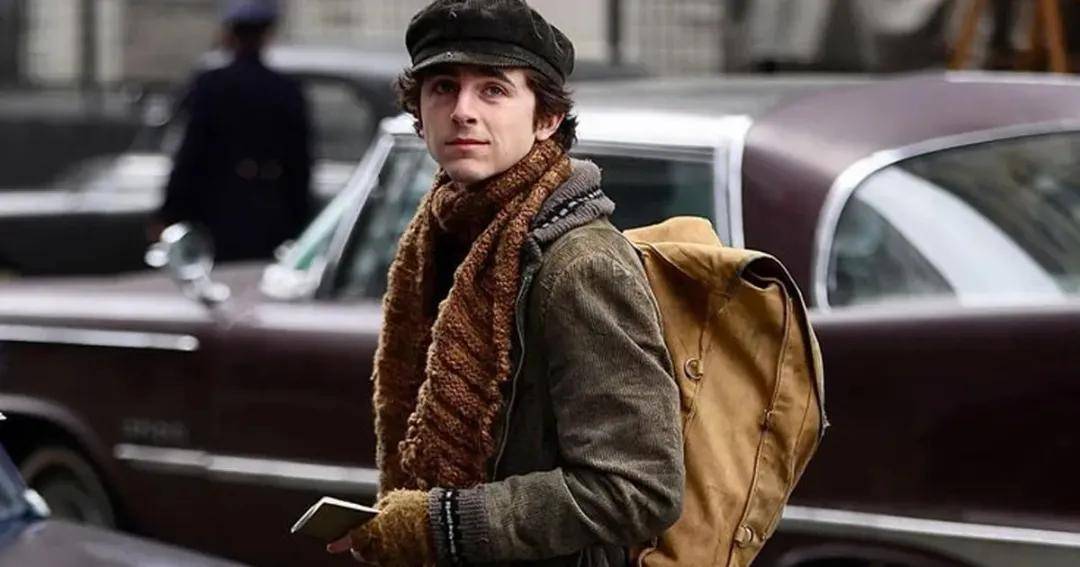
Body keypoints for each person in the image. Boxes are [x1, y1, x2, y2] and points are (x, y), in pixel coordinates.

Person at [325, 1, 683, 565]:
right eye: (443, 87)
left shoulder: (581, 265)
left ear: (547, 119)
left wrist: (440, 524)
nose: (462, 111)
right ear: (419, 110)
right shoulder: (441, 237)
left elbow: (639, 488)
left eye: (493, 90)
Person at [155, 0, 312, 262]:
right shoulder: (285, 89)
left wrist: (171, 212)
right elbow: (300, 163)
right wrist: (300, 219)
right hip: (270, 207)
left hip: (217, 207)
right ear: (266, 35)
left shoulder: (211, 85)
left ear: (230, 35)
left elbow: (190, 153)